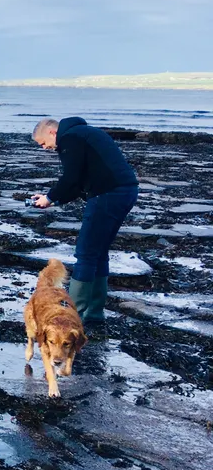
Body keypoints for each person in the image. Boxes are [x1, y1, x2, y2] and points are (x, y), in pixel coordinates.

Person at [30, 117, 139, 325]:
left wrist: (51, 196)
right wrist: (52, 200)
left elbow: (71, 177)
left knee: (86, 253)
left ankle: (73, 318)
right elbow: (79, 182)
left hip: (107, 195)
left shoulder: (70, 137)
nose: (45, 148)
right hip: (124, 191)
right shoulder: (83, 134)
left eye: (43, 143)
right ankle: (94, 314)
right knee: (97, 254)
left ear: (53, 132)